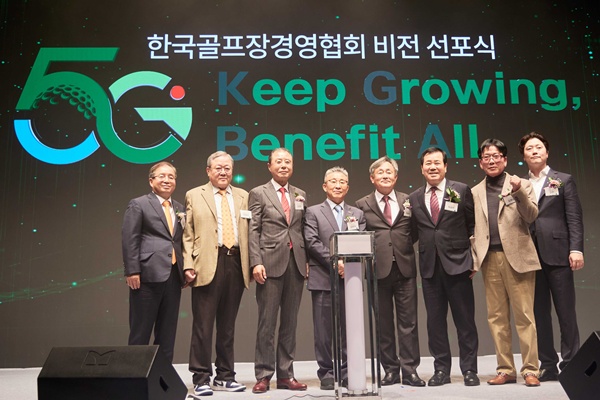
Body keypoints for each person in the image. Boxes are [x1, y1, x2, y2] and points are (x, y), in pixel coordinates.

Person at [471, 138, 541, 387]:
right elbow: (473, 229)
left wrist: (518, 191)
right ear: (481, 163)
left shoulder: (521, 184)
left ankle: (531, 369)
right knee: (496, 318)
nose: (491, 161)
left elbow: (532, 215)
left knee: (525, 316)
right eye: (486, 157)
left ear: (505, 159)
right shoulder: (475, 191)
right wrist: (475, 259)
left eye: (496, 156)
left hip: (519, 258)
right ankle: (505, 369)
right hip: (490, 259)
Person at [408, 147, 480, 386]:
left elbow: (472, 225)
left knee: (465, 321)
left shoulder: (460, 190)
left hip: (459, 264)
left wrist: (474, 258)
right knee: (435, 323)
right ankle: (441, 370)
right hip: (430, 268)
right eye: (428, 163)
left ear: (445, 166)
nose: (433, 167)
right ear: (422, 168)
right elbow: (413, 233)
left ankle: (469, 370)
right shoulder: (415, 197)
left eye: (437, 162)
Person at [183, 151, 251, 397]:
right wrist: (188, 264)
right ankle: (201, 378)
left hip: (236, 262)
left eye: (227, 168)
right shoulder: (194, 194)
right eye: (218, 168)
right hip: (206, 263)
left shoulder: (244, 196)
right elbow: (188, 233)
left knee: (227, 326)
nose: (223, 172)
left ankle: (225, 376)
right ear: (208, 171)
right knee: (203, 325)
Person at [518, 132, 584, 381]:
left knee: (566, 311)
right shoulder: (519, 184)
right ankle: (547, 364)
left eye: (538, 147)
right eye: (529, 148)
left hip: (558, 253)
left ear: (546, 152)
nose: (534, 151)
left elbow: (574, 217)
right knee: (539, 313)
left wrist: (576, 249)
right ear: (524, 156)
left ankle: (571, 363)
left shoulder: (563, 180)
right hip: (530, 256)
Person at [355, 156, 425, 387]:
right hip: (377, 270)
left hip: (405, 268)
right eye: (380, 172)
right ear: (372, 178)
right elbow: (360, 236)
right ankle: (390, 370)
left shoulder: (408, 201)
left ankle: (410, 370)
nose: (385, 176)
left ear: (396, 177)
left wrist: (398, 248)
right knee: (383, 324)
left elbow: (413, 232)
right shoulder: (361, 204)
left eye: (389, 172)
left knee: (409, 323)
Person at [248, 148, 308, 394]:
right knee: (267, 323)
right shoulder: (258, 193)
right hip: (269, 263)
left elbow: (301, 229)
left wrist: (306, 260)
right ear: (269, 166)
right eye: (279, 161)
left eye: (288, 162)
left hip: (296, 263)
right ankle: (263, 375)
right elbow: (253, 229)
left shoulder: (300, 194)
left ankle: (286, 374)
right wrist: (256, 261)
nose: (284, 165)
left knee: (290, 323)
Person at [304, 167, 366, 390]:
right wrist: (335, 262)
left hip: (350, 279)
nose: (337, 185)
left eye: (342, 182)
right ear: (325, 186)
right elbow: (312, 242)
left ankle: (349, 372)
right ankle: (327, 372)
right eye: (333, 181)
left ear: (347, 187)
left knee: (350, 328)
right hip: (323, 278)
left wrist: (347, 264)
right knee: (323, 332)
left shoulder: (357, 213)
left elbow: (361, 242)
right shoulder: (313, 212)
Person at [122, 161, 185, 364]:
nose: (167, 180)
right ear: (151, 181)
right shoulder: (138, 204)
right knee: (141, 331)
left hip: (173, 276)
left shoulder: (179, 208)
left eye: (171, 177)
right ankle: (133, 376)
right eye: (162, 176)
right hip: (147, 276)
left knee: (167, 332)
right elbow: (130, 239)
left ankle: (163, 376)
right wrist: (132, 271)